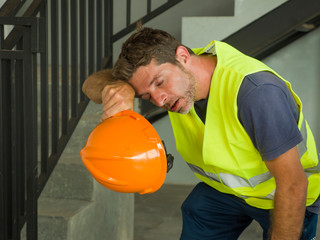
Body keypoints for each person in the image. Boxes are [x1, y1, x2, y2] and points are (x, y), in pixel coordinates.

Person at [82, 26, 320, 240]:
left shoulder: (256, 93)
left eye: (160, 82)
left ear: (183, 57)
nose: (158, 99)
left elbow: (292, 184)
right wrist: (121, 88)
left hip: (280, 194)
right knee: (198, 208)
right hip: (226, 190)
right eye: (146, 95)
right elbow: (89, 85)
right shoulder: (176, 67)